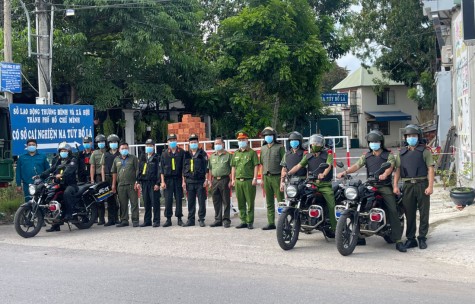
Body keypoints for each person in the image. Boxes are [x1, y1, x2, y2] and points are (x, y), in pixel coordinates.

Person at [337, 130, 406, 252]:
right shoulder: (366, 156)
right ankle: (358, 235)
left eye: (376, 142)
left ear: (381, 143)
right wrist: (345, 172)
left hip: (384, 186)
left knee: (392, 209)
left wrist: (384, 175)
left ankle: (398, 240)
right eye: (371, 142)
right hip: (369, 184)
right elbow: (357, 165)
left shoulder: (388, 155)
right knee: (356, 200)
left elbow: (390, 166)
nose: (373, 144)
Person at [393, 124, 435, 250]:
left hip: (422, 184)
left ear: (418, 137)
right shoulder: (402, 153)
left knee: (423, 212)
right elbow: (398, 170)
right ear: (405, 138)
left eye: (414, 136)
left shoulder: (425, 151)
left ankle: (422, 237)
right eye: (409, 136)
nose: (412, 138)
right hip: (407, 186)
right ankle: (411, 238)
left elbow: (431, 169)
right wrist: (395, 185)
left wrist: (431, 186)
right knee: (409, 213)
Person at [287, 134, 337, 234]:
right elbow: (298, 165)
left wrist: (323, 174)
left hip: (324, 184)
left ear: (322, 145)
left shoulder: (328, 154)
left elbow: (329, 166)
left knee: (331, 205)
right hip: (310, 183)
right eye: (313, 143)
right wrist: (288, 173)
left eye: (317, 143)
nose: (314, 144)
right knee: (298, 196)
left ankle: (335, 227)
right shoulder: (308, 156)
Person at [40, 142, 78, 232]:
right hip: (60, 185)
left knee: (67, 193)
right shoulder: (58, 160)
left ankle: (69, 214)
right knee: (52, 197)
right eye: (61, 150)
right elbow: (52, 169)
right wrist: (41, 175)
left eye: (65, 150)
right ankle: (55, 224)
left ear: (69, 151)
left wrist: (62, 175)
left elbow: (69, 170)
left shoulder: (73, 160)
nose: (63, 152)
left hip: (71, 185)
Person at [231, 131, 259, 229]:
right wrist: (233, 179)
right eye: (240, 140)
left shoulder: (252, 153)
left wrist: (255, 178)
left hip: (249, 180)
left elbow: (256, 166)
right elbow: (233, 167)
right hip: (238, 181)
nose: (241, 141)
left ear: (247, 140)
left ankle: (250, 221)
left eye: (243, 140)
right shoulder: (236, 153)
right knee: (241, 202)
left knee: (250, 202)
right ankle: (243, 220)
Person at [259, 127, 285, 230]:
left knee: (280, 201)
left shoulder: (279, 147)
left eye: (269, 135)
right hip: (266, 177)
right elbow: (262, 164)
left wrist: (283, 179)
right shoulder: (263, 148)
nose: (267, 137)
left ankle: (283, 222)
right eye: (266, 136)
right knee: (269, 201)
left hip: (277, 176)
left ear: (274, 136)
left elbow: (284, 164)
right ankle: (271, 222)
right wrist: (261, 178)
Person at [182, 134, 208, 227]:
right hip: (189, 181)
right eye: (191, 142)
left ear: (198, 142)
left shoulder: (202, 154)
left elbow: (206, 168)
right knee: (191, 202)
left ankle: (201, 219)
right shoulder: (186, 154)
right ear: (189, 143)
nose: (193, 144)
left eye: (195, 142)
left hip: (200, 181)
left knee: (201, 201)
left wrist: (206, 180)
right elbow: (183, 169)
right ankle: (191, 220)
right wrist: (183, 181)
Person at [112, 142, 140, 227]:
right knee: (123, 204)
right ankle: (124, 220)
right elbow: (114, 172)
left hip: (132, 184)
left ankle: (135, 220)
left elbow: (137, 170)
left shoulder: (133, 158)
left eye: (126, 148)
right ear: (119, 150)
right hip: (121, 185)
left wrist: (137, 182)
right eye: (122, 148)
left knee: (134, 203)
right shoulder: (116, 159)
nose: (124, 150)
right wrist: (113, 184)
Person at [160, 133, 185, 227]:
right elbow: (161, 169)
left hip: (178, 178)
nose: (172, 142)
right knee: (168, 200)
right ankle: (168, 219)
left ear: (176, 141)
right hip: (168, 180)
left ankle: (179, 218)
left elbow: (183, 168)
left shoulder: (181, 152)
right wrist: (162, 181)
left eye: (174, 140)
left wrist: (183, 181)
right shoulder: (164, 153)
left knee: (179, 199)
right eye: (170, 140)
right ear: (167, 142)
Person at [207, 137, 232, 228]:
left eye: (219, 143)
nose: (217, 145)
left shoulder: (228, 155)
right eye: (216, 144)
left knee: (226, 200)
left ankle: (226, 220)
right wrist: (209, 180)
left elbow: (232, 169)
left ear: (223, 144)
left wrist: (231, 180)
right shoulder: (212, 156)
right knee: (216, 200)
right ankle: (218, 219)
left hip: (224, 179)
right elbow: (210, 169)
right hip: (214, 180)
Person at [136, 139, 161, 227]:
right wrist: (138, 181)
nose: (148, 147)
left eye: (150, 146)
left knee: (155, 202)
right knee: (146, 202)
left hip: (153, 183)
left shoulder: (157, 157)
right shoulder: (143, 157)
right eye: (147, 146)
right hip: (144, 182)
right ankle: (147, 221)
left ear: (154, 147)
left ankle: (156, 221)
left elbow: (159, 171)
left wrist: (158, 183)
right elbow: (139, 170)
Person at [99, 134, 121, 226]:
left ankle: (119, 218)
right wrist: (103, 180)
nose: (113, 144)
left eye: (115, 142)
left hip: (119, 178)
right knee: (109, 200)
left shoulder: (120, 154)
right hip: (108, 177)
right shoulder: (105, 154)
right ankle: (111, 219)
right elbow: (102, 167)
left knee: (120, 199)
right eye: (111, 142)